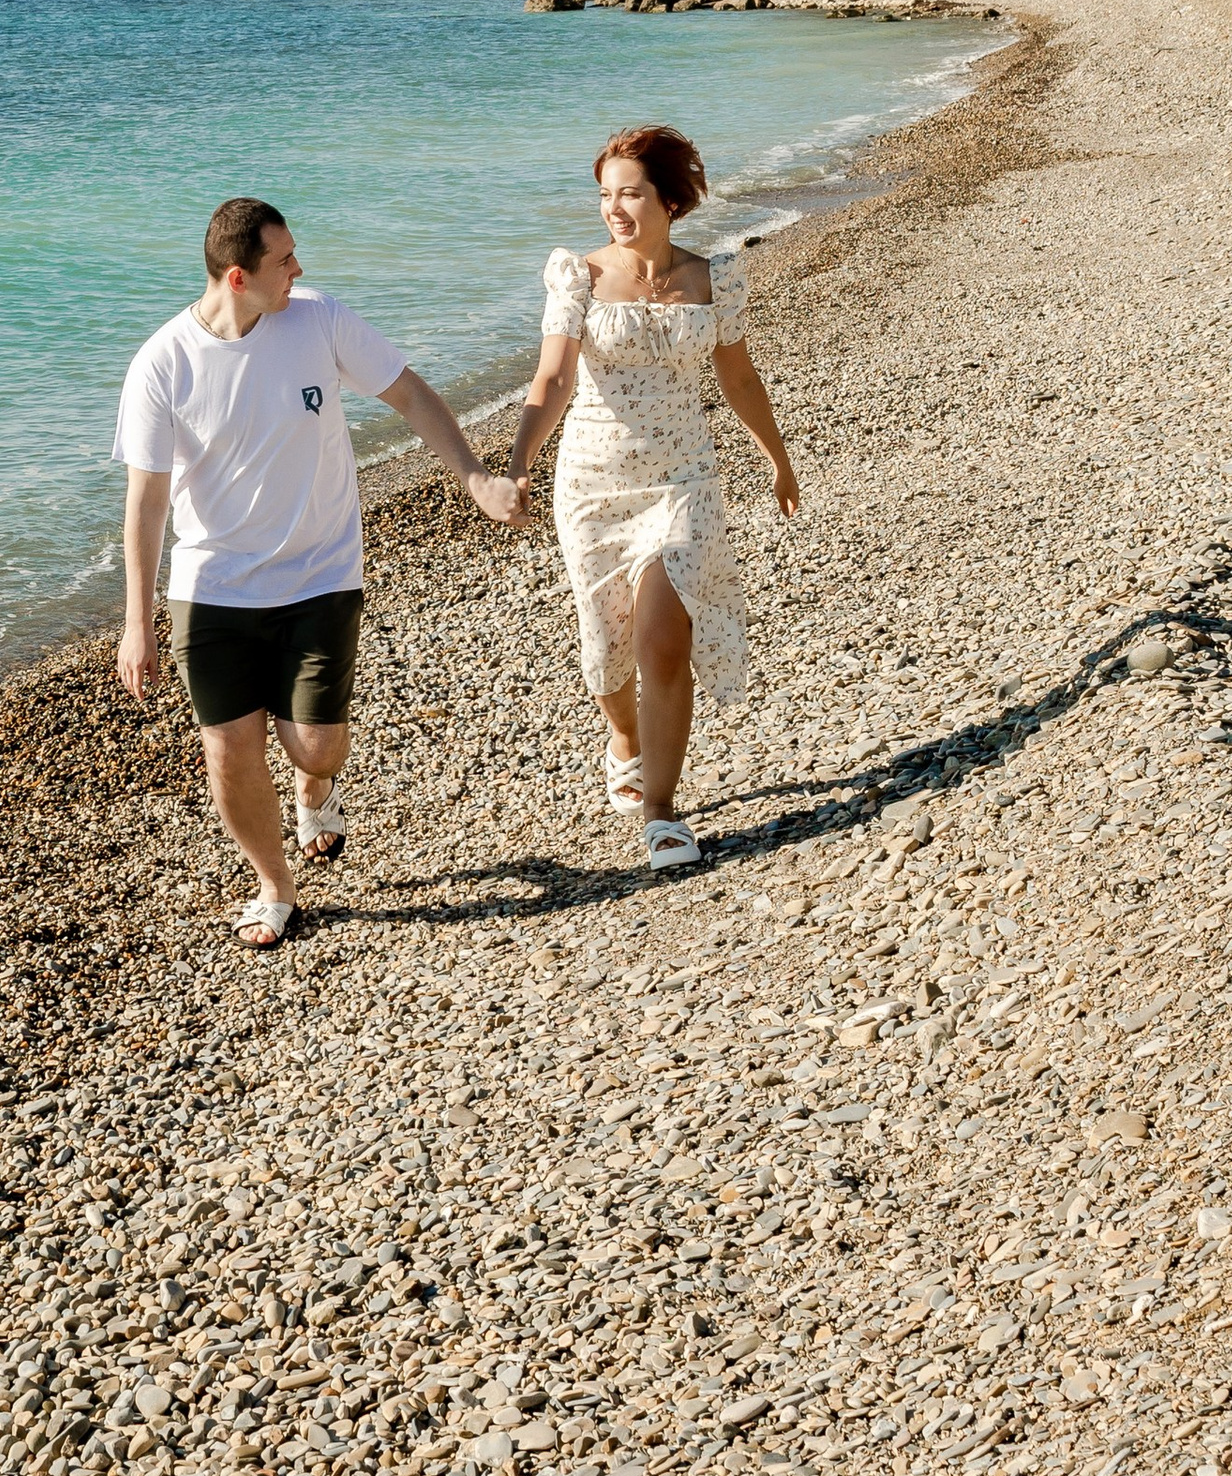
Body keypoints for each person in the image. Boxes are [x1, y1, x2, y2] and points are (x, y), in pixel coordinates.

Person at [115, 196, 523, 948]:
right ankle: (274, 886)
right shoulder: (162, 364)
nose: (299, 270)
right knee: (227, 746)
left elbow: (409, 393)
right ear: (238, 277)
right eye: (285, 260)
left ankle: (316, 789)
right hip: (213, 587)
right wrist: (136, 622)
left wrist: (473, 478)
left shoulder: (319, 320)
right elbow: (146, 502)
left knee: (315, 745)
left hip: (321, 573)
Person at [507, 121, 798, 874]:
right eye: (605, 194)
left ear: (670, 199)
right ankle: (626, 742)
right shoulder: (579, 277)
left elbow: (737, 376)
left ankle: (663, 813)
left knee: (664, 636)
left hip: (683, 479)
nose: (613, 208)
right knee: (607, 650)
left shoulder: (714, 277)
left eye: (629, 193)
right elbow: (553, 381)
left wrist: (778, 458)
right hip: (594, 483)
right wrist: (517, 465)